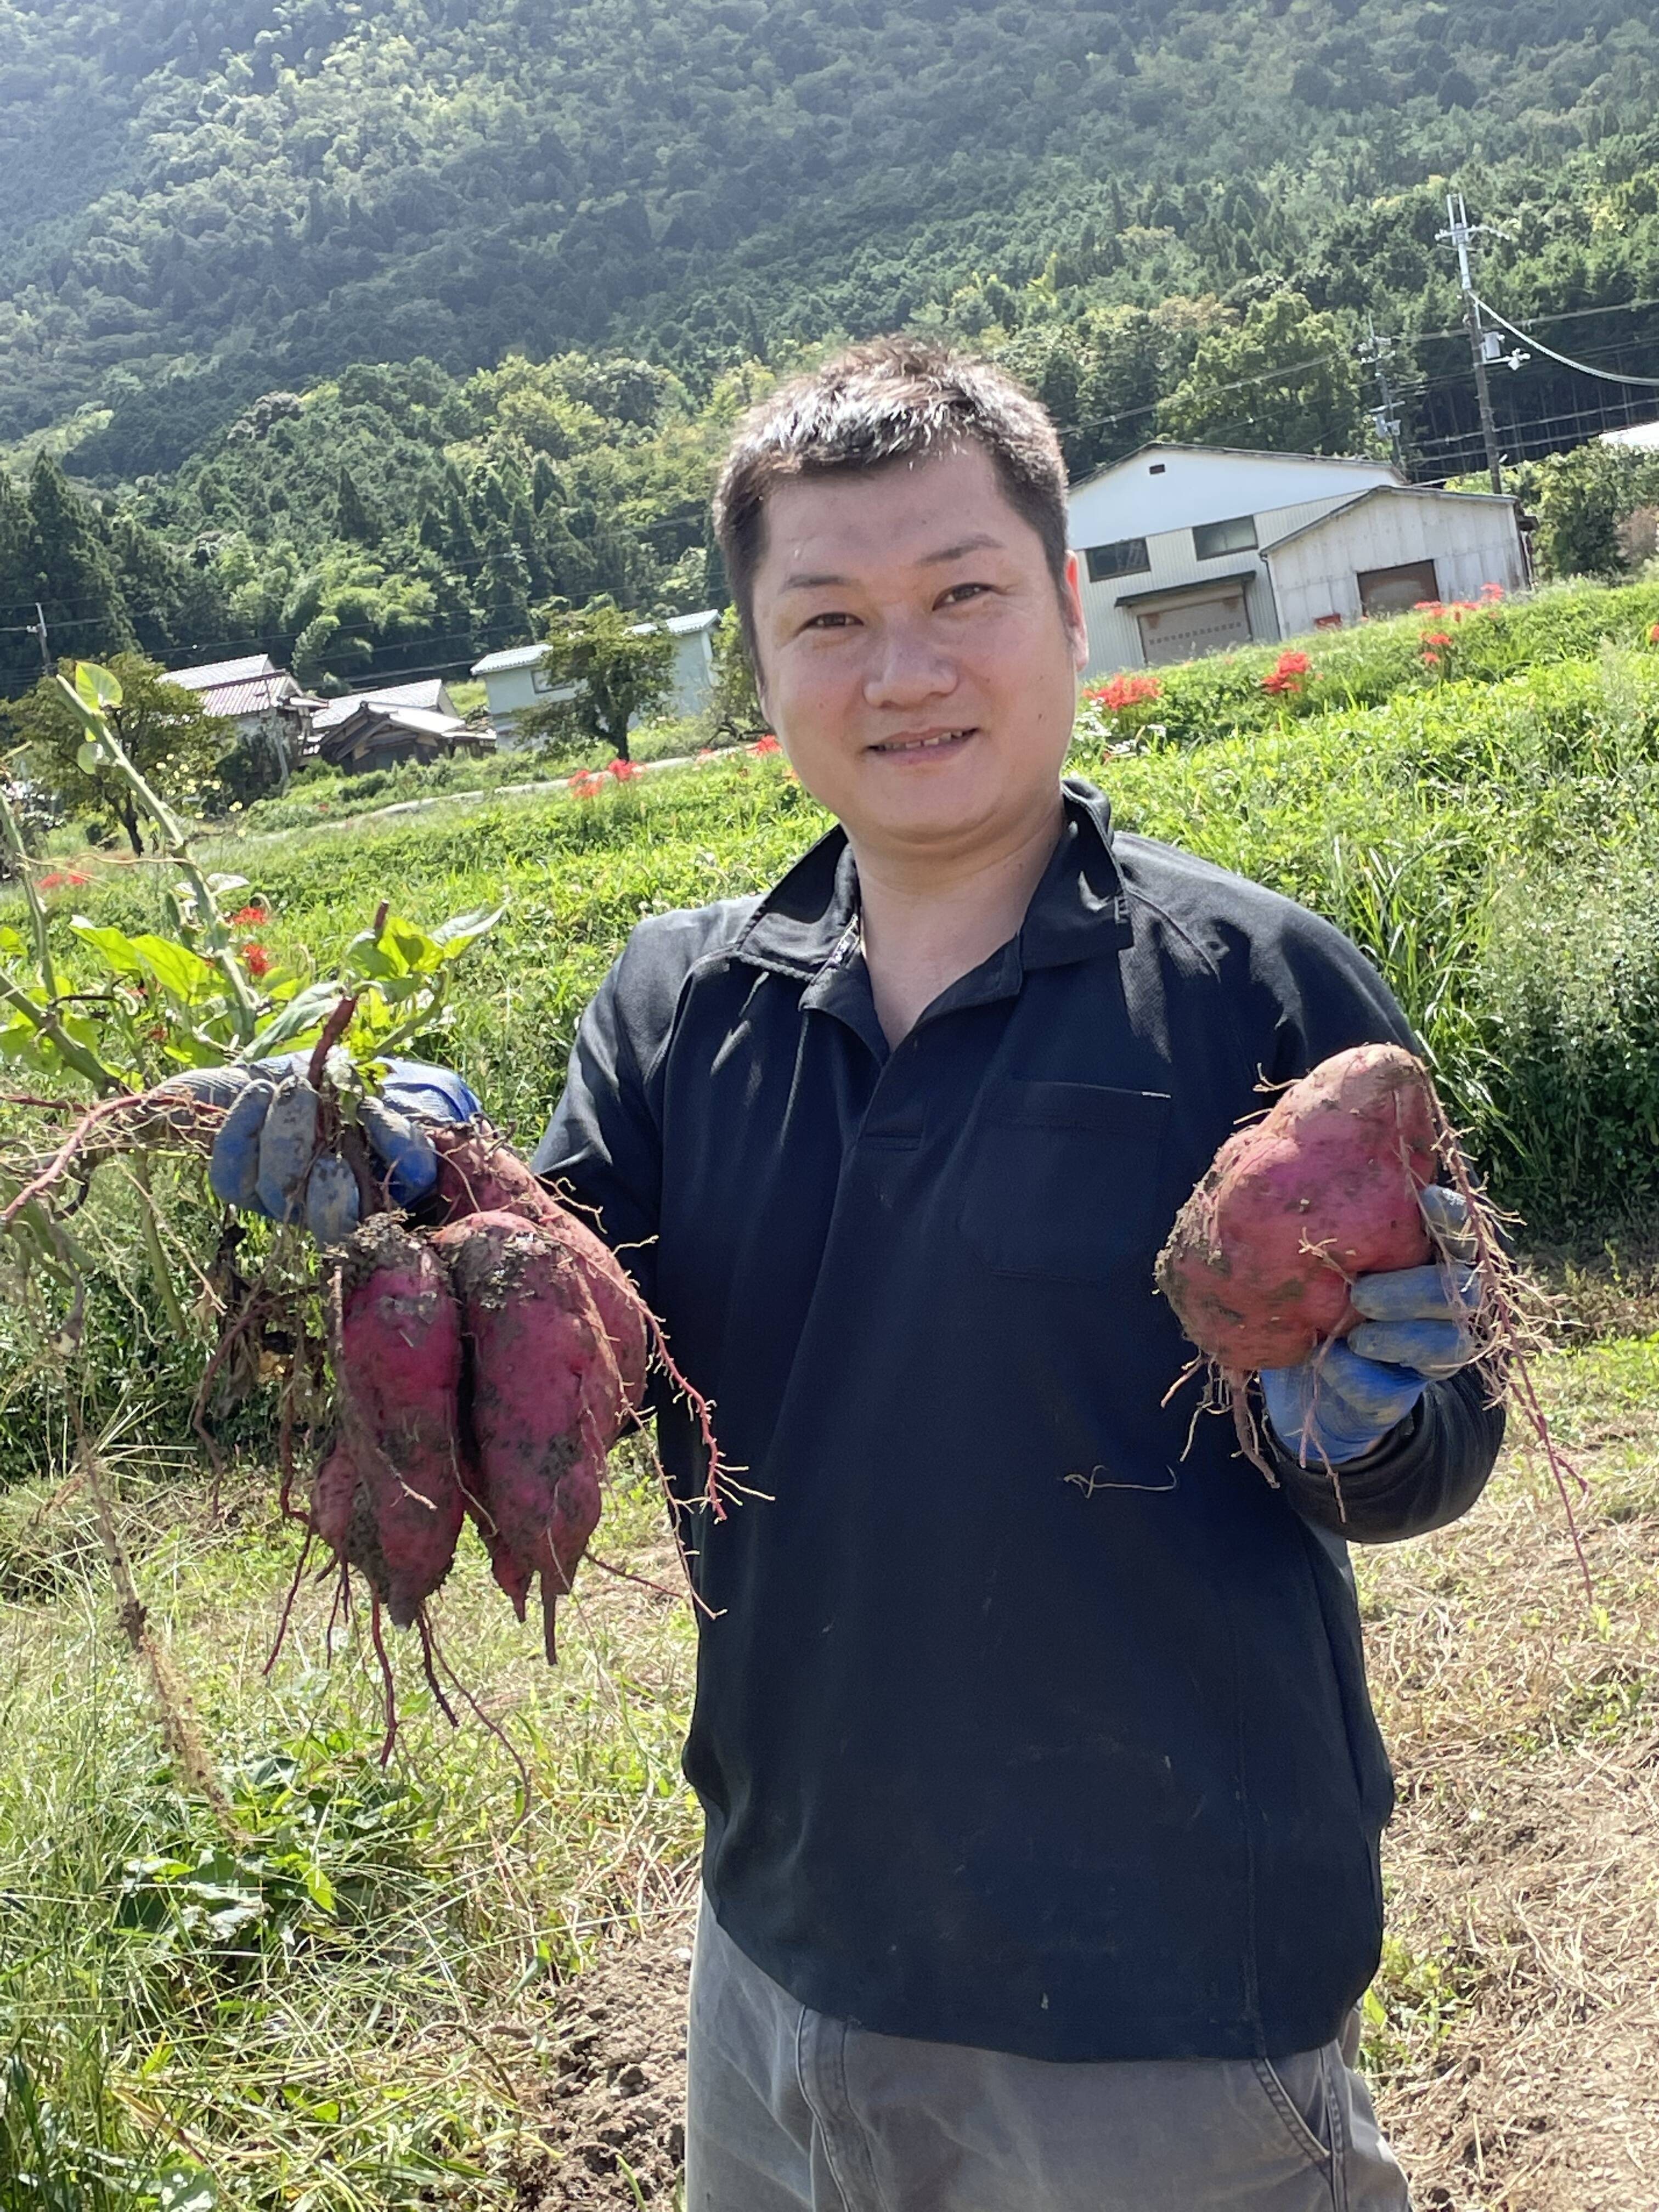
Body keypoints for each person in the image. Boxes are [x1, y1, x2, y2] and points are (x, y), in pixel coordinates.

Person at [204, 341, 1500, 2211]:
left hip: (1169, 2004)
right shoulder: (674, 1004)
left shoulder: (1254, 989)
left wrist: (1371, 1426)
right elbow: (565, 1350)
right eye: (829, 618)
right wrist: (416, 1195)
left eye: (963, 593)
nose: (904, 669)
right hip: (783, 1959)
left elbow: (1430, 1449)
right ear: (759, 666)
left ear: (1066, 606)